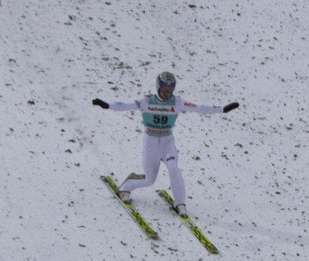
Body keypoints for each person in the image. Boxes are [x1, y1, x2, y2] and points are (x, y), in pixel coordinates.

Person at [92, 71, 238, 216]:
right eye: (164, 89)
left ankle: (180, 203)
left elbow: (199, 108)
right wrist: (107, 105)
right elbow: (125, 105)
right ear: (158, 87)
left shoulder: (178, 102)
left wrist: (222, 109)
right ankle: (125, 187)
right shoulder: (147, 101)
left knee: (173, 168)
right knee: (150, 179)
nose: (167, 93)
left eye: (170, 90)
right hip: (150, 141)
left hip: (167, 142)